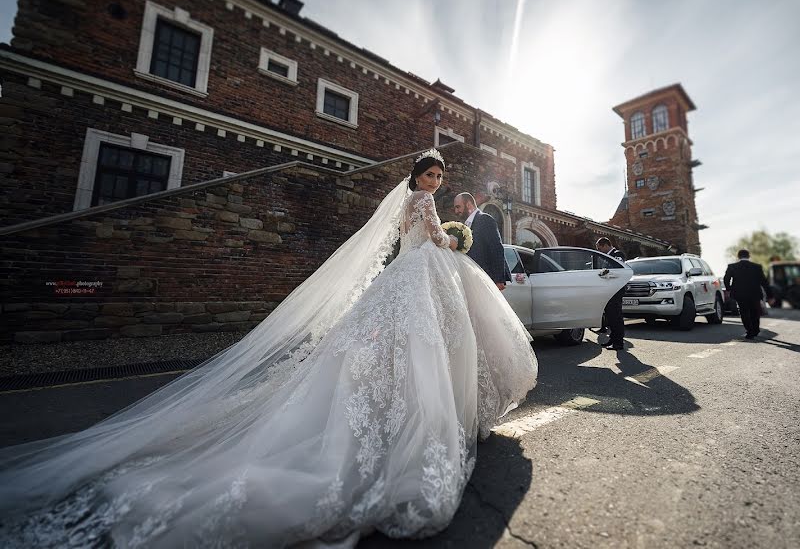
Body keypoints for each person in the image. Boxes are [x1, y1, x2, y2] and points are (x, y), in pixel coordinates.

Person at [0, 148, 538, 547]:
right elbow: (435, 242)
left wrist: (446, 235)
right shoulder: (422, 204)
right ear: (417, 177)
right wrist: (456, 236)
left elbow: (410, 242)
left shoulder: (409, 204)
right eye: (429, 174)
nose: (434, 181)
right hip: (421, 274)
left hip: (407, 277)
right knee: (426, 346)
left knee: (398, 348)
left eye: (439, 176)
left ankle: (407, 408)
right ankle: (422, 418)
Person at [453, 192, 510, 290]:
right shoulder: (464, 225)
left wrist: (499, 280)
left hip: (487, 277)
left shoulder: (484, 219)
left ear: (468, 204)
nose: (456, 211)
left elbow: (496, 248)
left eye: (458, 207)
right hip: (473, 277)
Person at [723, 248, 772, 339]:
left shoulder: (732, 266)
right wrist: (770, 295)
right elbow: (764, 282)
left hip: (739, 294)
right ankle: (756, 329)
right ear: (749, 256)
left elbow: (726, 279)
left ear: (738, 256)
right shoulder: (757, 267)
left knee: (744, 312)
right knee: (755, 312)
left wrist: (729, 289)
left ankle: (749, 331)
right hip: (755, 293)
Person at [595, 237, 627, 351]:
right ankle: (613, 339)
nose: (599, 251)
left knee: (616, 316)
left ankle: (618, 343)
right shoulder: (607, 256)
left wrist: (603, 272)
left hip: (616, 289)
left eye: (600, 248)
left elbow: (617, 269)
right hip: (609, 290)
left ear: (605, 245)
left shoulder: (617, 254)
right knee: (610, 316)